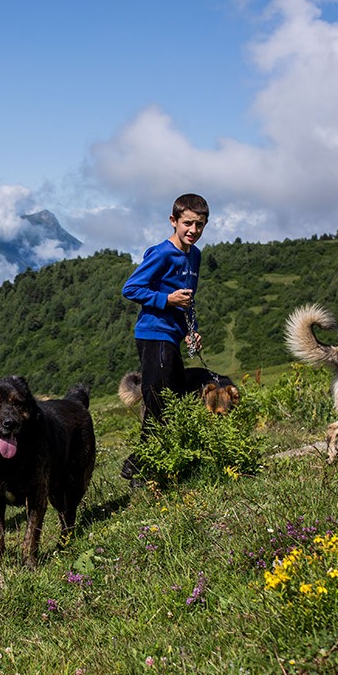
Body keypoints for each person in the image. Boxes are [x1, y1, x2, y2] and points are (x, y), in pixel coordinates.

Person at [120, 193, 210, 482]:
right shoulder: (160, 253)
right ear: (173, 221)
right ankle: (138, 469)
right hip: (153, 334)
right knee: (160, 403)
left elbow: (188, 299)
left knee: (170, 402)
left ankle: (155, 465)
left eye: (200, 225)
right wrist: (166, 299)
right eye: (187, 223)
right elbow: (131, 288)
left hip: (172, 336)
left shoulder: (194, 255)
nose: (193, 231)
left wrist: (190, 331)